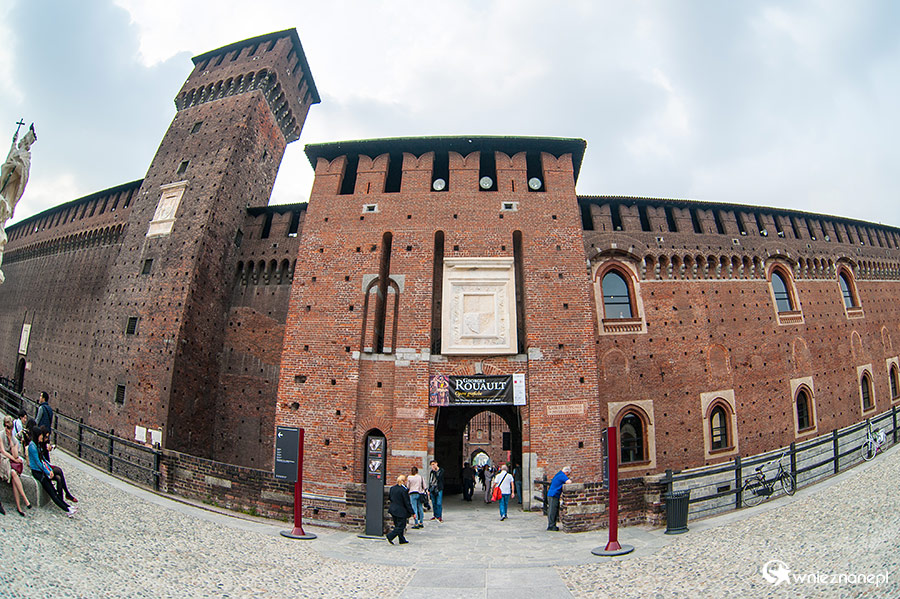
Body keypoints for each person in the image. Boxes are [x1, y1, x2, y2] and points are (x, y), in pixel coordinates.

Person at [28, 426, 75, 517]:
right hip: (37, 472)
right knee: (52, 492)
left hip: (42, 471)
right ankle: (67, 509)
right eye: (41, 435)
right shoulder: (32, 447)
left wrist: (49, 470)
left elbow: (43, 460)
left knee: (53, 490)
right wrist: (48, 472)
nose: (42, 437)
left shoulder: (36, 445)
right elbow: (38, 462)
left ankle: (68, 507)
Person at [1, 415, 31, 515]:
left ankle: (19, 507)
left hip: (10, 462)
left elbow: (15, 454)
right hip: (3, 461)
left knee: (14, 476)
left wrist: (10, 439)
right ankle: (24, 499)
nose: (7, 429)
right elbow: (2, 451)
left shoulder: (14, 439)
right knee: (14, 474)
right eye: (6, 426)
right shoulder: (1, 435)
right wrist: (14, 459)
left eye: (9, 427)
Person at [38, 431, 76, 504]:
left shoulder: (41, 444)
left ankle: (62, 499)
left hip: (46, 464)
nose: (46, 439)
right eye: (45, 437)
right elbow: (39, 461)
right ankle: (66, 494)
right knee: (59, 471)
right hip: (44, 467)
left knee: (59, 477)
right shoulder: (37, 445)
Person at [386, 474, 414, 544]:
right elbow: (407, 503)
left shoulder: (392, 488)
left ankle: (401, 539)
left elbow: (390, 498)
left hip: (393, 509)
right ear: (404, 481)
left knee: (397, 525)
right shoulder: (403, 490)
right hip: (401, 510)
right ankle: (390, 536)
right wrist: (412, 512)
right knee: (401, 526)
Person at [547, 466, 572, 531]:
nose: (568, 475)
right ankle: (551, 526)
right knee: (552, 510)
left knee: (553, 510)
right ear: (566, 472)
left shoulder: (559, 474)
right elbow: (569, 482)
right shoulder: (562, 475)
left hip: (552, 494)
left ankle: (552, 525)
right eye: (568, 474)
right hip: (553, 494)